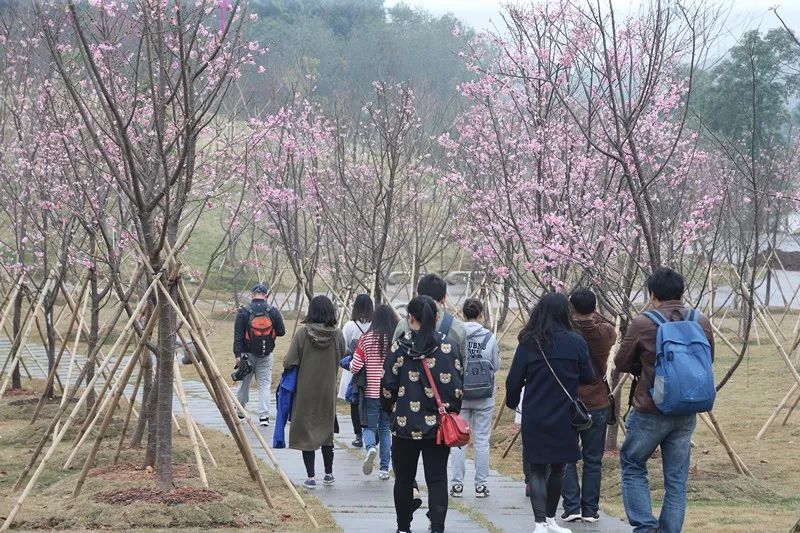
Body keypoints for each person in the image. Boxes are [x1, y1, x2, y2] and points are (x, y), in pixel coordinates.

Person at [615, 267, 714, 533]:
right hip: (687, 410)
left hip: (651, 409)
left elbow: (621, 362)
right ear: (682, 292)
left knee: (634, 464)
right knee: (676, 479)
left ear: (652, 294)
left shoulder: (643, 322)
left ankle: (645, 528)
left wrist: (645, 366)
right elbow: (708, 361)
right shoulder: (700, 320)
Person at [506, 292, 595, 533]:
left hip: (535, 413)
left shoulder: (528, 343)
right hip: (564, 414)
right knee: (559, 466)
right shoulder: (576, 342)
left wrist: (513, 403)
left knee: (536, 467)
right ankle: (551, 519)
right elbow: (589, 377)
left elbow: (514, 380)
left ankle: (539, 523)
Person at [382, 295, 464, 533]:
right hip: (438, 428)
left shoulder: (399, 348)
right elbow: (458, 388)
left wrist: (390, 409)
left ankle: (403, 527)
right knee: (437, 478)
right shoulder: (449, 347)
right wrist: (450, 411)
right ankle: (437, 527)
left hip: (404, 425)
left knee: (404, 479)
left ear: (410, 319)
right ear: (437, 318)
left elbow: (388, 385)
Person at [561, 288, 617, 523]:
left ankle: (572, 506)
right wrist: (596, 314)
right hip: (597, 400)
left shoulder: (564, 332)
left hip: (568, 400)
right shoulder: (605, 332)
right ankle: (590, 510)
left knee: (566, 456)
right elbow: (610, 324)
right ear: (595, 308)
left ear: (571, 308)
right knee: (593, 459)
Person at [283, 295, 345, 490]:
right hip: (328, 391)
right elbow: (343, 354)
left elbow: (288, 361)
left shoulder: (302, 334)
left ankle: (310, 477)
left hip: (305, 391)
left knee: (306, 432)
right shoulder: (338, 334)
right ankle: (329, 473)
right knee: (327, 432)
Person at [450, 298, 499, 499]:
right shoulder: (489, 337)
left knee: (459, 440)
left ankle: (457, 485)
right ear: (480, 315)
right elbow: (495, 366)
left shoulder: (455, 335)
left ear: (463, 314)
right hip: (484, 396)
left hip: (460, 395)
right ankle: (481, 485)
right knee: (481, 441)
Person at [350, 304, 398, 480]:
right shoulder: (395, 340)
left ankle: (370, 447)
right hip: (389, 392)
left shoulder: (366, 339)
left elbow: (355, 366)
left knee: (369, 426)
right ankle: (384, 469)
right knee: (385, 429)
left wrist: (348, 365)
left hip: (370, 391)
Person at [233, 283, 286, 426]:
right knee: (264, 385)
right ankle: (264, 417)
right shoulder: (273, 311)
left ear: (252, 295)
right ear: (266, 296)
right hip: (266, 354)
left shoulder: (243, 311)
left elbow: (238, 336)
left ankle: (240, 412)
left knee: (245, 384)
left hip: (246, 355)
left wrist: (237, 355)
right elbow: (281, 331)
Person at [393, 273, 467, 358]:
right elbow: (463, 365)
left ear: (418, 296)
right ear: (444, 298)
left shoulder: (405, 324)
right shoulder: (457, 327)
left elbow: (393, 357)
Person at [339, 294, 373, 448]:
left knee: (354, 403)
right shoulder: (374, 325)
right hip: (371, 370)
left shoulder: (350, 326)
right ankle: (371, 432)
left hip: (354, 369)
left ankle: (358, 435)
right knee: (370, 403)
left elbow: (343, 346)